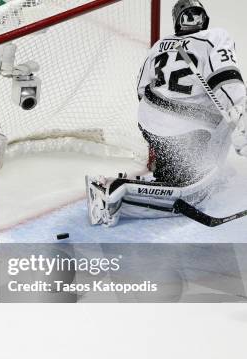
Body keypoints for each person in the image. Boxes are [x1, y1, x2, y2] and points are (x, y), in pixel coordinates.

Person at [87, 0, 246, 226]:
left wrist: (161, 123)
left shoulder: (160, 44)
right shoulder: (215, 36)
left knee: (173, 161)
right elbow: (226, 80)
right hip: (187, 130)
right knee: (193, 185)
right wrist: (241, 120)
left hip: (149, 121)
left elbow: (141, 89)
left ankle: (171, 169)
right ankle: (118, 191)